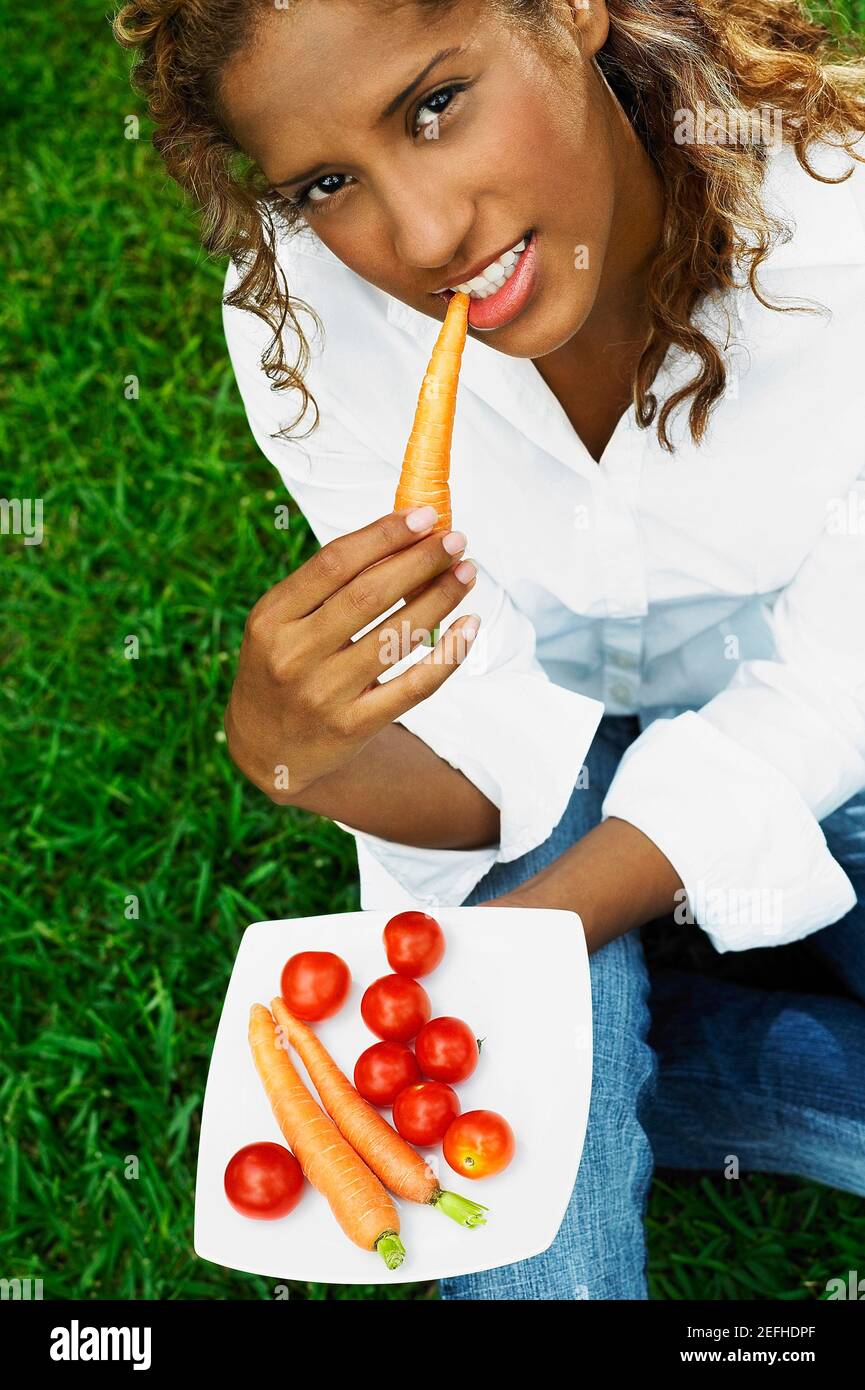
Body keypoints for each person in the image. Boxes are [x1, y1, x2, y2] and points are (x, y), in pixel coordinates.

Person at [113, 0, 865, 1297]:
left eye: (434, 105)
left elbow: (829, 689)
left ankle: (650, 1039)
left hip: (828, 740)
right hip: (533, 773)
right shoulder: (307, 310)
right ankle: (643, 1021)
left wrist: (525, 944)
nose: (419, 237)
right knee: (533, 1255)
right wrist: (290, 758)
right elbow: (484, 739)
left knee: (516, 1070)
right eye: (330, 182)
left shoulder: (841, 233)